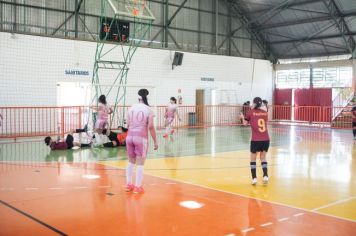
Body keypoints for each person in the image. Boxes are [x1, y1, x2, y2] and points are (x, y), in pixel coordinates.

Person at [125, 89, 158, 194]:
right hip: (141, 138)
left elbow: (127, 124)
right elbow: (151, 127)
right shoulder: (149, 109)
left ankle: (129, 184)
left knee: (130, 162)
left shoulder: (131, 108)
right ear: (146, 97)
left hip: (129, 137)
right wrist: (155, 141)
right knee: (140, 163)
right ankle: (138, 187)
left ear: (137, 97)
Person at [240, 97, 270, 185]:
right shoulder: (265, 113)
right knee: (263, 158)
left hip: (256, 140)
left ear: (255, 103)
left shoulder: (251, 112)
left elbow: (245, 124)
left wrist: (242, 117)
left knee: (253, 159)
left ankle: (254, 178)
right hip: (266, 139)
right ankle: (265, 175)